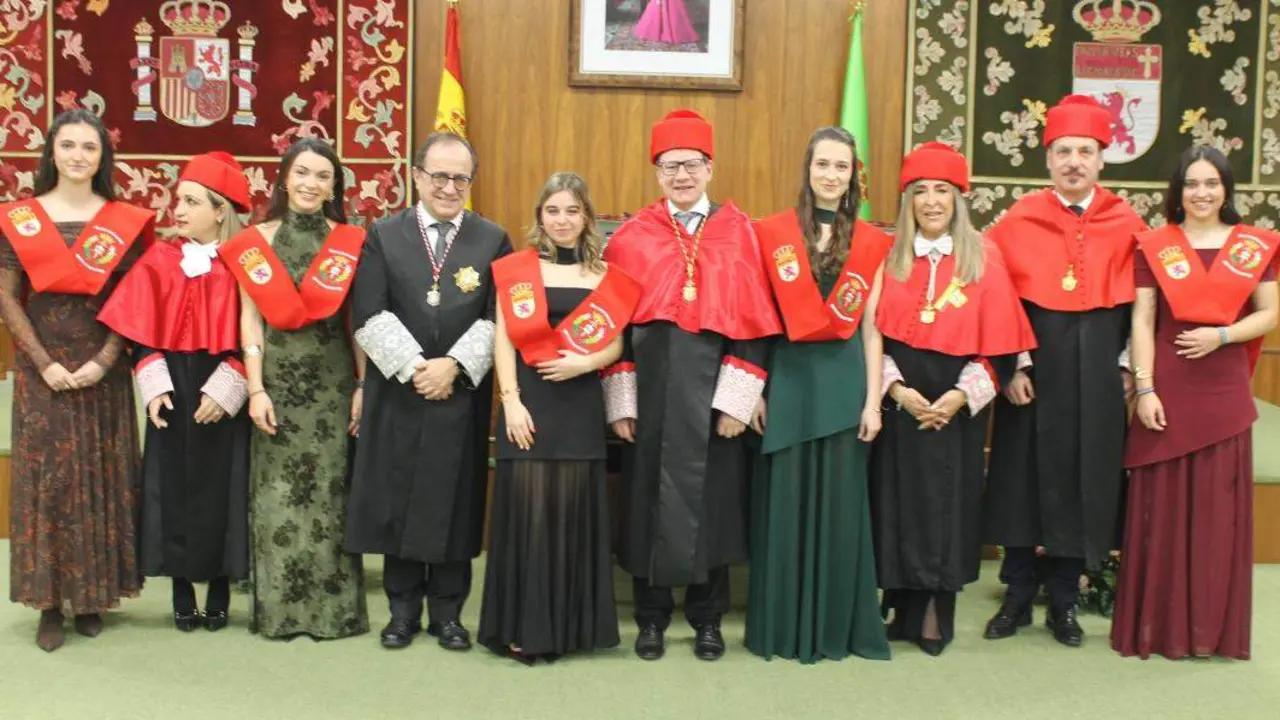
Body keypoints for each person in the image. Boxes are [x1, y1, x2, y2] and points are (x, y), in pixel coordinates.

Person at [603, 109, 782, 661]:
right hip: (651, 396)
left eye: (691, 165)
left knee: (715, 508)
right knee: (647, 505)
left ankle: (708, 619)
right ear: (656, 172)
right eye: (669, 166)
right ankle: (651, 618)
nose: (681, 175)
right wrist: (621, 402)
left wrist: (738, 401)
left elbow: (754, 327)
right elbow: (613, 329)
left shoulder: (740, 233)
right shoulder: (631, 237)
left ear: (710, 167)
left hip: (714, 398)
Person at [983, 95, 1147, 647]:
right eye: (1063, 152)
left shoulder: (1128, 223)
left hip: (1099, 377)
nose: (1074, 162)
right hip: (1034, 375)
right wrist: (1013, 367)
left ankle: (1064, 601)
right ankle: (1016, 595)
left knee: (1085, 481)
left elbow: (1143, 308)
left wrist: (1128, 367)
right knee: (1020, 481)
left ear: (1101, 158)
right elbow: (999, 299)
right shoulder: (1019, 220)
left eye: (1084, 152)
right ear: (1048, 158)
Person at [1111, 146, 1278, 660]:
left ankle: (1209, 629)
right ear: (1177, 191)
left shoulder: (1254, 245)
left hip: (1223, 388)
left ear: (1226, 189)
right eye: (1191, 183)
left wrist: (1222, 336)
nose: (1201, 193)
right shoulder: (1156, 245)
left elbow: (1269, 314)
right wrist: (1145, 388)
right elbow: (1143, 320)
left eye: (1211, 183)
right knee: (1159, 510)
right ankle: (1157, 628)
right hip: (1167, 387)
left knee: (1217, 515)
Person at [347, 132, 512, 651]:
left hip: (459, 395)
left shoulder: (493, 239)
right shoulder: (383, 234)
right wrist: (419, 368)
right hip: (400, 390)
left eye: (460, 178)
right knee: (398, 495)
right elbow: (368, 311)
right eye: (439, 176)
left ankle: (448, 613)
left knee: (453, 499)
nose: (449, 187)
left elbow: (498, 316)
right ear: (416, 176)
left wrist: (454, 367)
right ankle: (401, 612)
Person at [871, 142, 1036, 656]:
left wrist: (960, 397)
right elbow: (874, 336)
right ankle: (900, 608)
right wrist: (897, 390)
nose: (931, 201)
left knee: (947, 508)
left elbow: (1002, 347)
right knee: (897, 505)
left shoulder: (984, 258)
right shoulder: (888, 258)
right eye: (920, 191)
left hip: (957, 412)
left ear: (957, 199)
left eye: (942, 191)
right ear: (908, 201)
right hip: (900, 406)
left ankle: (934, 615)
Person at [0, 108, 155, 651]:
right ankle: (49, 601)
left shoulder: (122, 220)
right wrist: (42, 361)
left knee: (100, 474)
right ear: (51, 152)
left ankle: (92, 596)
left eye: (89, 147)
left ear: (102, 157)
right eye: (68, 145)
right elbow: (6, 296)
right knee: (49, 481)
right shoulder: (21, 218)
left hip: (100, 370)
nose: (78, 156)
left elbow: (133, 299)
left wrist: (105, 360)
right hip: (42, 368)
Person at [480, 172, 641, 665]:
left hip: (579, 405)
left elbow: (617, 343)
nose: (562, 220)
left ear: (587, 217)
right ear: (540, 217)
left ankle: (569, 628)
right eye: (553, 211)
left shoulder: (605, 277)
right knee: (528, 514)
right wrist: (510, 402)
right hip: (527, 407)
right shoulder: (517, 270)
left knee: (571, 514)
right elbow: (503, 338)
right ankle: (523, 627)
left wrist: (585, 363)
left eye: (572, 210)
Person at [744, 126, 891, 664]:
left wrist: (872, 402)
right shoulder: (774, 233)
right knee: (785, 506)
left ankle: (832, 627)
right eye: (822, 164)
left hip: (844, 385)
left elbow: (872, 329)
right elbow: (758, 321)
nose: (831, 175)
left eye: (841, 166)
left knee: (840, 509)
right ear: (808, 170)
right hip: (787, 381)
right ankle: (783, 628)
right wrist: (753, 391)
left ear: (854, 176)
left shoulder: (871, 242)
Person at [218, 138, 368, 640]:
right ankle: (281, 612)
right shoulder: (254, 242)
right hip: (277, 384)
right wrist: (256, 388)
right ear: (284, 178)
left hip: (331, 383)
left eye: (323, 176)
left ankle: (331, 614)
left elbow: (356, 323)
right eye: (302, 172)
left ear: (334, 187)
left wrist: (362, 385)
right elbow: (250, 321)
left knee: (328, 493)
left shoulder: (349, 241)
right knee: (278, 494)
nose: (310, 183)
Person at [98, 151, 253, 633]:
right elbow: (140, 331)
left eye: (191, 201)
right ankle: (182, 589)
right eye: (178, 200)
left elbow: (257, 333)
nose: (178, 210)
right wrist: (152, 380)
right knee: (172, 487)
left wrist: (230, 384)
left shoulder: (246, 262)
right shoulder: (160, 259)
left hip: (222, 385)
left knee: (223, 486)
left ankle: (220, 587)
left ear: (220, 210)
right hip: (172, 387)